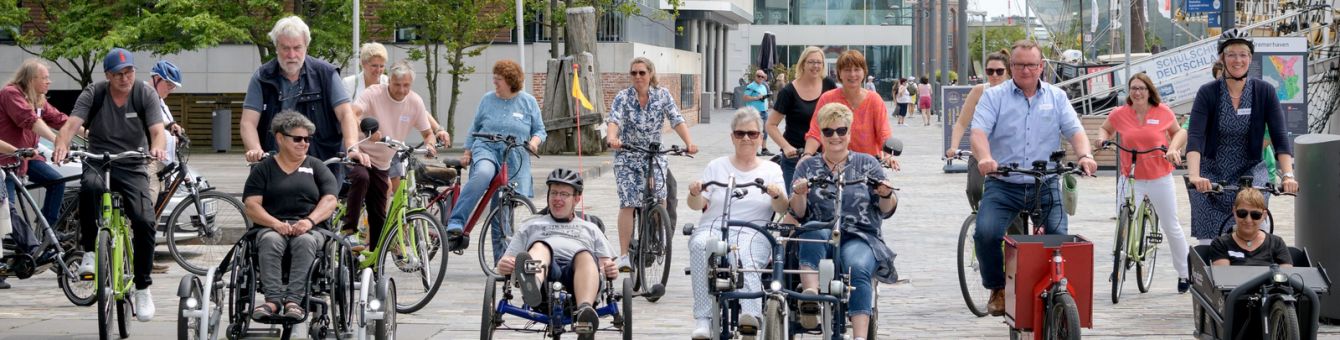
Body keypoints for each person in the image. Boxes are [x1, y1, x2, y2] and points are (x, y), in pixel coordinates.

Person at [970, 40, 1098, 317]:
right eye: (1018, 64)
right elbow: (978, 132)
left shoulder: (1056, 97)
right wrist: (984, 158)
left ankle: (1053, 289)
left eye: (1031, 64)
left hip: (1045, 182)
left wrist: (1085, 155)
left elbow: (1074, 130)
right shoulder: (994, 97)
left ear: (1041, 67)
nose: (1025, 70)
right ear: (1011, 67)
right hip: (1004, 183)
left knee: (1058, 239)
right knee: (986, 233)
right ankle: (998, 287)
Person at [52, 47, 170, 321]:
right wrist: (61, 145)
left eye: (129, 71)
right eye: (119, 74)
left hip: (132, 162)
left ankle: (142, 287)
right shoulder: (94, 93)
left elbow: (157, 131)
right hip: (99, 159)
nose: (125, 77)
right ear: (108, 75)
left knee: (144, 221)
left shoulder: (145, 93)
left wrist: (158, 148)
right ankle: (91, 254)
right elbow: (70, 126)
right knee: (90, 189)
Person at [789, 103, 897, 340]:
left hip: (860, 234)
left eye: (841, 130)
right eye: (828, 131)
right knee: (810, 231)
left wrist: (885, 194)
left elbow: (887, 210)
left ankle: (859, 336)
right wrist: (799, 194)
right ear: (821, 134)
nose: (835, 136)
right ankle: (810, 297)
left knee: (858, 267)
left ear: (849, 132)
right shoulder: (807, 166)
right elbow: (797, 212)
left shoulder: (868, 164)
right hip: (820, 230)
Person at [1185, 29, 1297, 245]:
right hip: (1212, 173)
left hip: (1251, 171)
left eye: (1243, 54)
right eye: (1232, 54)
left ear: (1250, 58)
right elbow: (1196, 137)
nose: (1238, 60)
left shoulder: (1264, 91)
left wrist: (1288, 176)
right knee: (1210, 245)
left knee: (1254, 225)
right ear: (1222, 58)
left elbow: (1280, 137)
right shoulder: (1207, 93)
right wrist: (1194, 175)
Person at [686, 109, 788, 339]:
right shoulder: (717, 166)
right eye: (740, 133)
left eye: (752, 134)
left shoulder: (772, 169)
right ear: (732, 137)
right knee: (700, 245)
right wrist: (694, 192)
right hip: (715, 225)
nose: (746, 139)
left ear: (761, 137)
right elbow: (697, 204)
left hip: (753, 229)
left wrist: (776, 194)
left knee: (744, 255)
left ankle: (750, 316)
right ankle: (703, 318)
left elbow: (783, 208)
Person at [1095, 73, 1193, 293]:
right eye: (1133, 88)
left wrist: (1172, 149)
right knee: (1124, 216)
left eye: (1141, 88)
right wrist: (1101, 139)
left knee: (1171, 225)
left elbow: (1178, 133)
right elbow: (1105, 129)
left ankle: (1184, 274)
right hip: (1130, 176)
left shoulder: (1163, 111)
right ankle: (1119, 262)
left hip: (1159, 175)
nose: (1137, 92)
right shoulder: (1120, 113)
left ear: (1150, 91)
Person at [241, 111, 340, 320]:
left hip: (311, 228)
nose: (304, 143)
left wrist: (309, 221)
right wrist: (275, 224)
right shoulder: (263, 169)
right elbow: (251, 205)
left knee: (304, 241)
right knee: (270, 240)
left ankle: (294, 301)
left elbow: (330, 200)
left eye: (307, 139)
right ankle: (272, 301)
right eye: (298, 139)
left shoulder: (316, 167)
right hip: (270, 226)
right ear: (280, 138)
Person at [496, 168, 618, 337]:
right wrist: (505, 264)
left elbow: (606, 265)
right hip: (545, 278)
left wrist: (610, 269)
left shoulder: (591, 228)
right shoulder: (531, 225)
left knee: (584, 255)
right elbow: (506, 263)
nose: (557, 199)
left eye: (564, 194)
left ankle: (585, 313)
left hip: (578, 277)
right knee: (540, 247)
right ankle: (532, 285)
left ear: (577, 199)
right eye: (553, 193)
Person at [240, 16, 367, 177]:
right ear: (276, 47)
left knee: (327, 199)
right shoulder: (262, 77)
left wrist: (351, 148)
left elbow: (345, 114)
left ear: (306, 46)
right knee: (254, 200)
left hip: (321, 163)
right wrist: (255, 149)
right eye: (285, 48)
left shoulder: (326, 74)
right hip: (275, 164)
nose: (291, 54)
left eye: (297, 47)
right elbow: (248, 122)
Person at [606, 56, 699, 270]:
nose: (638, 76)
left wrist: (689, 143)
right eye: (634, 73)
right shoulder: (623, 97)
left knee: (660, 195)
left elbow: (676, 119)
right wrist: (612, 138)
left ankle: (659, 235)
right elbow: (614, 120)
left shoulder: (662, 95)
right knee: (628, 202)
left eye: (642, 72)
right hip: (628, 155)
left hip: (654, 154)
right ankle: (623, 256)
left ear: (650, 74)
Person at [446, 59, 546, 257]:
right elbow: (475, 127)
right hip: (487, 149)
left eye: (498, 79)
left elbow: (540, 130)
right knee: (483, 173)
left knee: (502, 209)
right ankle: (456, 221)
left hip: (514, 158)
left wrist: (534, 142)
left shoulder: (528, 102)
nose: (495, 82)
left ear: (510, 81)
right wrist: (467, 152)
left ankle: (501, 261)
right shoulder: (487, 99)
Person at [344, 61, 440, 251]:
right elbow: (352, 114)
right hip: (361, 153)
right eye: (397, 84)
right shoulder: (373, 93)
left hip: (383, 161)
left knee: (378, 211)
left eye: (406, 85)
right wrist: (368, 131)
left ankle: (374, 260)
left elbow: (428, 133)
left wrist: (430, 144)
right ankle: (349, 231)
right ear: (389, 81)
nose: (401, 89)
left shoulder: (414, 101)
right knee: (361, 178)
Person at [800, 49, 897, 170]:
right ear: (839, 73)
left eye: (857, 69)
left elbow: (884, 132)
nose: (852, 74)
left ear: (864, 72)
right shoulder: (828, 98)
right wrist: (807, 154)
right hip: (834, 167)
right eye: (847, 70)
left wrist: (888, 156)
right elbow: (815, 131)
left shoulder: (874, 100)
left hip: (867, 167)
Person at [0, 59, 68, 228]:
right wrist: (56, 140)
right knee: (8, 212)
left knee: (57, 181)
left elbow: (60, 120)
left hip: (27, 160)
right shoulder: (11, 93)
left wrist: (91, 134)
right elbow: (29, 120)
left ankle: (47, 232)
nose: (49, 81)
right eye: (44, 77)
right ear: (31, 79)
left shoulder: (38, 99)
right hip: (6, 162)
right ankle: (26, 247)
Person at [766, 46, 838, 193]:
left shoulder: (829, 85)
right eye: (811, 62)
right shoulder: (788, 92)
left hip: (825, 157)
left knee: (825, 204)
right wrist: (786, 147)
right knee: (795, 206)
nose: (815, 66)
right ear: (803, 64)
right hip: (795, 158)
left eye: (819, 62)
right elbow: (771, 125)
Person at [947, 49, 1010, 209]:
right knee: (975, 190)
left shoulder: (1013, 92)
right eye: (990, 71)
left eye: (999, 71)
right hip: (980, 151)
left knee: (1010, 199)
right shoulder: (979, 91)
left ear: (1008, 72)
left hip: (1006, 153)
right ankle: (979, 219)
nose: (994, 75)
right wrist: (954, 147)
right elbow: (961, 123)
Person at [145, 59, 184, 274]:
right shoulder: (145, 95)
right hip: (150, 161)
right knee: (147, 210)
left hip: (163, 163)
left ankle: (147, 259)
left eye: (172, 86)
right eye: (168, 84)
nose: (170, 89)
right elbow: (155, 124)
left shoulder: (160, 100)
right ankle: (136, 258)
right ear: (156, 78)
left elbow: (165, 121)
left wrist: (174, 127)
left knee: (156, 212)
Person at [1208, 188, 1291, 267]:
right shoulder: (1220, 244)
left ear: (1264, 215)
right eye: (1242, 213)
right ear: (1234, 212)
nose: (1248, 220)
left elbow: (1287, 276)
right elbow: (1222, 277)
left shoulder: (1277, 243)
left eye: (1255, 215)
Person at [742, 69, 772, 156]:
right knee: (754, 131)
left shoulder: (764, 86)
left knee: (765, 131)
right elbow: (745, 97)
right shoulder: (751, 86)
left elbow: (763, 98)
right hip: (754, 112)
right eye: (758, 76)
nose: (760, 78)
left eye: (762, 76)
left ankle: (764, 149)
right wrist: (756, 98)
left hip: (764, 111)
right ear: (755, 76)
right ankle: (753, 149)